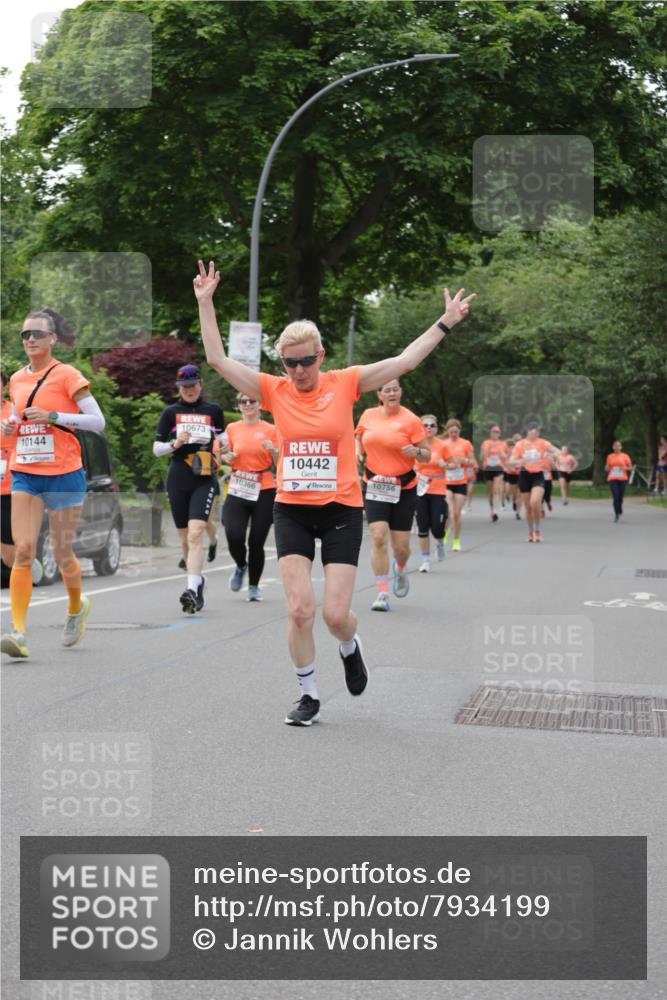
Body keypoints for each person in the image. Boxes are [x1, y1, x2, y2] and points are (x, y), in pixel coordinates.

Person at [194, 259, 474, 726]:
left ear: (321, 356)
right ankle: (308, 694)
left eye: (306, 361)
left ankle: (350, 646)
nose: (299, 370)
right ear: (281, 362)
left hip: (343, 509)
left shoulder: (345, 383)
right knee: (300, 609)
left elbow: (404, 360)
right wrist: (206, 303)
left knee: (335, 615)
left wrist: (444, 321)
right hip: (292, 511)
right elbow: (218, 361)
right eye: (290, 362)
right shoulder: (273, 389)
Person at [0, 308, 105, 658]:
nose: (30, 339)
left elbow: (97, 421)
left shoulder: (67, 375)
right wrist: (10, 426)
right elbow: (17, 416)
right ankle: (18, 632)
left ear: (53, 339)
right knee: (24, 550)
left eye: (37, 334)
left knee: (62, 554)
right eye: (25, 335)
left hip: (63, 473)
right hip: (26, 471)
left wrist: (54, 416)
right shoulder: (16, 379)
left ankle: (76, 609)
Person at [153, 365, 225, 613]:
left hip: (204, 476)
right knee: (184, 537)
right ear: (179, 388)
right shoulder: (170, 413)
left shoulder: (213, 411)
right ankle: (198, 580)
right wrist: (176, 443)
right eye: (185, 387)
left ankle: (192, 589)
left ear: (201, 385)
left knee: (196, 533)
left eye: (193, 385)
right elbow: (156, 449)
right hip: (178, 476)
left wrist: (222, 451)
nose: (189, 390)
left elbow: (224, 441)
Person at [355, 380, 429, 611]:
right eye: (387, 390)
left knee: (401, 547)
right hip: (375, 484)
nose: (392, 393)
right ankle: (382, 594)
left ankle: (400, 567)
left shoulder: (411, 420)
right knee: (377, 537)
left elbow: (426, 455)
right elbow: (358, 437)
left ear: (401, 392)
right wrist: (358, 452)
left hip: (404, 488)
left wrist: (416, 451)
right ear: (379, 394)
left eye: (395, 389)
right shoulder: (368, 415)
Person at [219, 391, 279, 601]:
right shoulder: (232, 428)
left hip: (264, 488)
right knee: (233, 533)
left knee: (256, 540)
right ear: (239, 406)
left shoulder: (271, 429)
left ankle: (254, 586)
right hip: (239, 486)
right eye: (243, 401)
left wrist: (274, 451)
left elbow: (280, 461)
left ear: (259, 404)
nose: (247, 404)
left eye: (251, 400)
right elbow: (223, 455)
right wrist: (226, 456)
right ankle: (241, 565)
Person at [509, 423, 560, 542]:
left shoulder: (543, 443)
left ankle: (537, 530)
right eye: (534, 431)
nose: (536, 433)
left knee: (535, 502)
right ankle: (531, 532)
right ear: (528, 431)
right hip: (524, 475)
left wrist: (551, 455)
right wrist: (520, 461)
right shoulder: (520, 444)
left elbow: (557, 451)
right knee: (528, 507)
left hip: (538, 475)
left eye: (538, 432)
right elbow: (511, 461)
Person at [414, 414, 448, 572]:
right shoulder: (414, 444)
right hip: (420, 489)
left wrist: (446, 464)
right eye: (425, 425)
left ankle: (440, 543)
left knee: (437, 527)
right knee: (422, 526)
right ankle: (426, 560)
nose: (428, 428)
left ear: (436, 428)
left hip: (437, 489)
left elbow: (453, 463)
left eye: (432, 425)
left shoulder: (442, 445)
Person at [440, 418, 474, 551]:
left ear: (459, 431)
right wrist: (445, 464)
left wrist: (464, 460)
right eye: (451, 431)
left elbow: (472, 462)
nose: (454, 434)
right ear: (447, 431)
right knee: (449, 511)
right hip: (446, 481)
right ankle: (446, 532)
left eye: (456, 431)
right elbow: (438, 459)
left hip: (460, 482)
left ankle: (456, 540)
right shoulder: (443, 444)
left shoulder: (466, 444)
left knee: (457, 513)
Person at [480, 425, 509, 522]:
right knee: (490, 492)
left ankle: (495, 511)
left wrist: (502, 454)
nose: (495, 433)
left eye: (497, 432)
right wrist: (488, 449)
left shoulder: (503, 444)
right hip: (488, 467)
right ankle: (492, 509)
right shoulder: (486, 443)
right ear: (490, 433)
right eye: (493, 431)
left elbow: (506, 457)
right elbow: (481, 457)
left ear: (500, 434)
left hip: (498, 467)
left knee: (496, 490)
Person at [605, 440, 633, 522]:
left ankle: (619, 507)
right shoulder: (610, 456)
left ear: (621, 447)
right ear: (613, 447)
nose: (617, 447)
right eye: (615, 446)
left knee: (620, 496)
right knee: (615, 495)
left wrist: (624, 468)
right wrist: (607, 468)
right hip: (612, 478)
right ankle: (616, 513)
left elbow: (630, 467)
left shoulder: (625, 456)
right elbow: (607, 467)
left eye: (618, 446)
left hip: (623, 478)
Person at [504, 433, 523, 519]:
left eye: (519, 440)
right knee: (515, 494)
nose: (518, 442)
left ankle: (518, 512)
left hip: (521, 474)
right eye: (516, 440)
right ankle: (514, 501)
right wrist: (510, 468)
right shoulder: (510, 449)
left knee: (520, 494)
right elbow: (506, 461)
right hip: (511, 473)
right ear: (514, 441)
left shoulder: (524, 449)